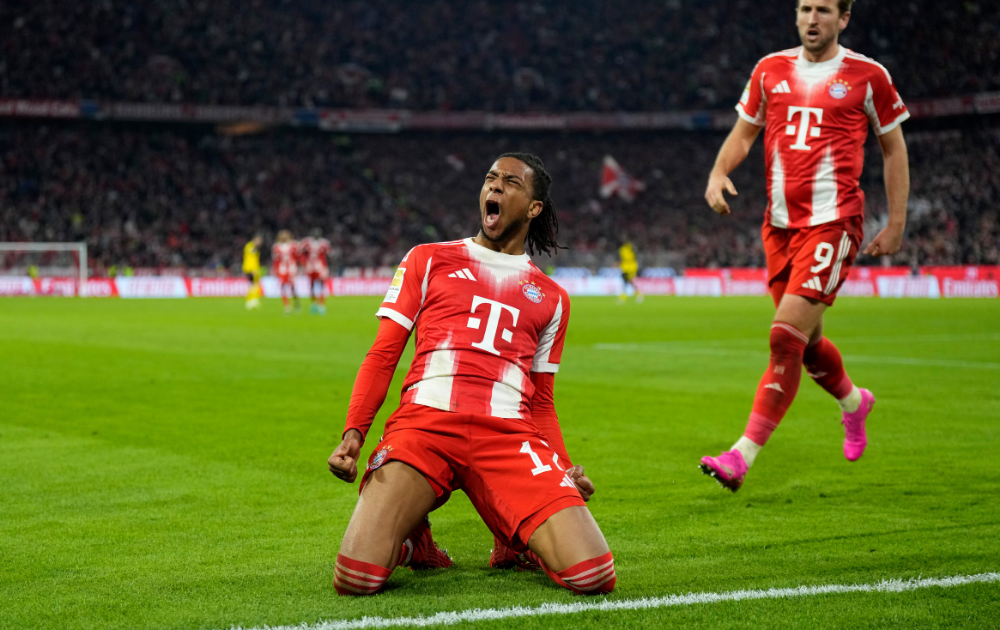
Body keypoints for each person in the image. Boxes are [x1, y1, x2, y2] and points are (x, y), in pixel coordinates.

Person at [327, 153, 615, 596]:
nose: (494, 186)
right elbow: (384, 354)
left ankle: (517, 541)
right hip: (423, 427)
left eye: (511, 182)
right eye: (490, 179)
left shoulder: (552, 297)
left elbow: (541, 401)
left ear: (534, 207)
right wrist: (354, 433)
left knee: (593, 575)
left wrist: (562, 467)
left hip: (507, 436)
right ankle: (413, 542)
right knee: (355, 578)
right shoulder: (428, 259)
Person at [700, 0, 910, 491]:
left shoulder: (869, 76)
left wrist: (896, 223)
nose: (812, 18)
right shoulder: (769, 69)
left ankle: (740, 455)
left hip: (833, 223)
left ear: (844, 19)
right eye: (805, 8)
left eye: (824, 10)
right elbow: (743, 134)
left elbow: (894, 148)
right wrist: (717, 173)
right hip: (779, 228)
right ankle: (855, 402)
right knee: (808, 347)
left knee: (784, 337)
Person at [300, 229, 332, 315]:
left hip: (320, 267)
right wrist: (304, 262)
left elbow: (329, 255)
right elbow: (300, 252)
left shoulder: (324, 243)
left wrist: (327, 266)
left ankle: (321, 305)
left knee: (321, 285)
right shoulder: (306, 242)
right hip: (310, 267)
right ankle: (314, 304)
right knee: (312, 285)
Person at [272, 230, 300, 315]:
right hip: (282, 269)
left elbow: (298, 257)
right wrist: (275, 270)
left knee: (292, 288)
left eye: (285, 235)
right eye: (282, 235)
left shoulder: (293, 245)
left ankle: (296, 302)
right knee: (283, 287)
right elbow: (275, 260)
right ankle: (287, 307)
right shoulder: (276, 247)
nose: (284, 237)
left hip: (291, 269)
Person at [618, 239, 643, 304]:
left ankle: (636, 294)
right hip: (627, 267)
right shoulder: (629, 248)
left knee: (628, 282)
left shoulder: (623, 249)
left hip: (630, 268)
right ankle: (637, 294)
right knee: (628, 282)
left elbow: (623, 258)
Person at [243, 234, 264, 310]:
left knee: (253, 284)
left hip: (252, 268)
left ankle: (252, 300)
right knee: (253, 285)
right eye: (259, 241)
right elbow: (251, 258)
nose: (260, 243)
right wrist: (253, 269)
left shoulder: (251, 246)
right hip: (251, 269)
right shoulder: (250, 246)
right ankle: (251, 300)